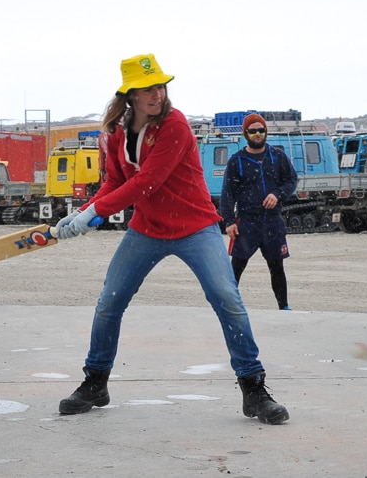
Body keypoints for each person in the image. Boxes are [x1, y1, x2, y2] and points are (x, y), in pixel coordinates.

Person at [50, 53, 289, 425]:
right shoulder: (115, 134)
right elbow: (115, 182)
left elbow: (147, 181)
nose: (157, 94)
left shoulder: (175, 125)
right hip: (147, 229)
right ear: (129, 94)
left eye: (160, 86)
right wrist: (85, 210)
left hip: (196, 227)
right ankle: (95, 382)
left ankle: (254, 390)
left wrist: (95, 214)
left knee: (227, 298)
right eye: (148, 88)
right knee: (110, 301)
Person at [220, 113, 298, 311]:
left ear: (266, 132)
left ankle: (284, 308)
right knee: (236, 267)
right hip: (246, 222)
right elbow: (227, 194)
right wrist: (229, 222)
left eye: (260, 130)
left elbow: (291, 180)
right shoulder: (237, 161)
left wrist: (277, 194)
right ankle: (227, 308)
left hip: (272, 222)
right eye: (252, 130)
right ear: (245, 133)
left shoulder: (277, 156)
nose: (257, 134)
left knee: (277, 267)